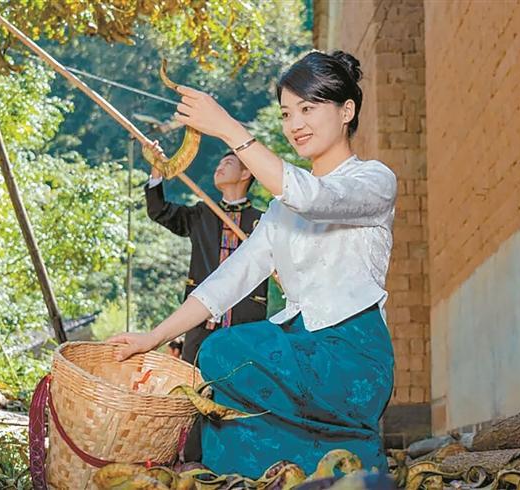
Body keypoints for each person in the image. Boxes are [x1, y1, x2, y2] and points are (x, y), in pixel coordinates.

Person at [109, 50, 397, 477]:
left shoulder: (373, 180)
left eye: (307, 108)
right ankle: (293, 469)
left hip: (350, 356)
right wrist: (154, 337)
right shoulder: (279, 212)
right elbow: (227, 280)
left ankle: (347, 453)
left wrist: (228, 128)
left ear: (346, 111)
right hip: (296, 351)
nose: (295, 124)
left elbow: (313, 198)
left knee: (229, 351)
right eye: (286, 113)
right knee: (217, 363)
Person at [144, 151, 269, 365]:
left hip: (245, 322)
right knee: (192, 376)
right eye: (218, 163)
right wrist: (157, 170)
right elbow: (159, 210)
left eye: (227, 163)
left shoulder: (262, 222)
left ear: (245, 173)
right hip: (200, 322)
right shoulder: (202, 214)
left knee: (240, 378)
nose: (219, 167)